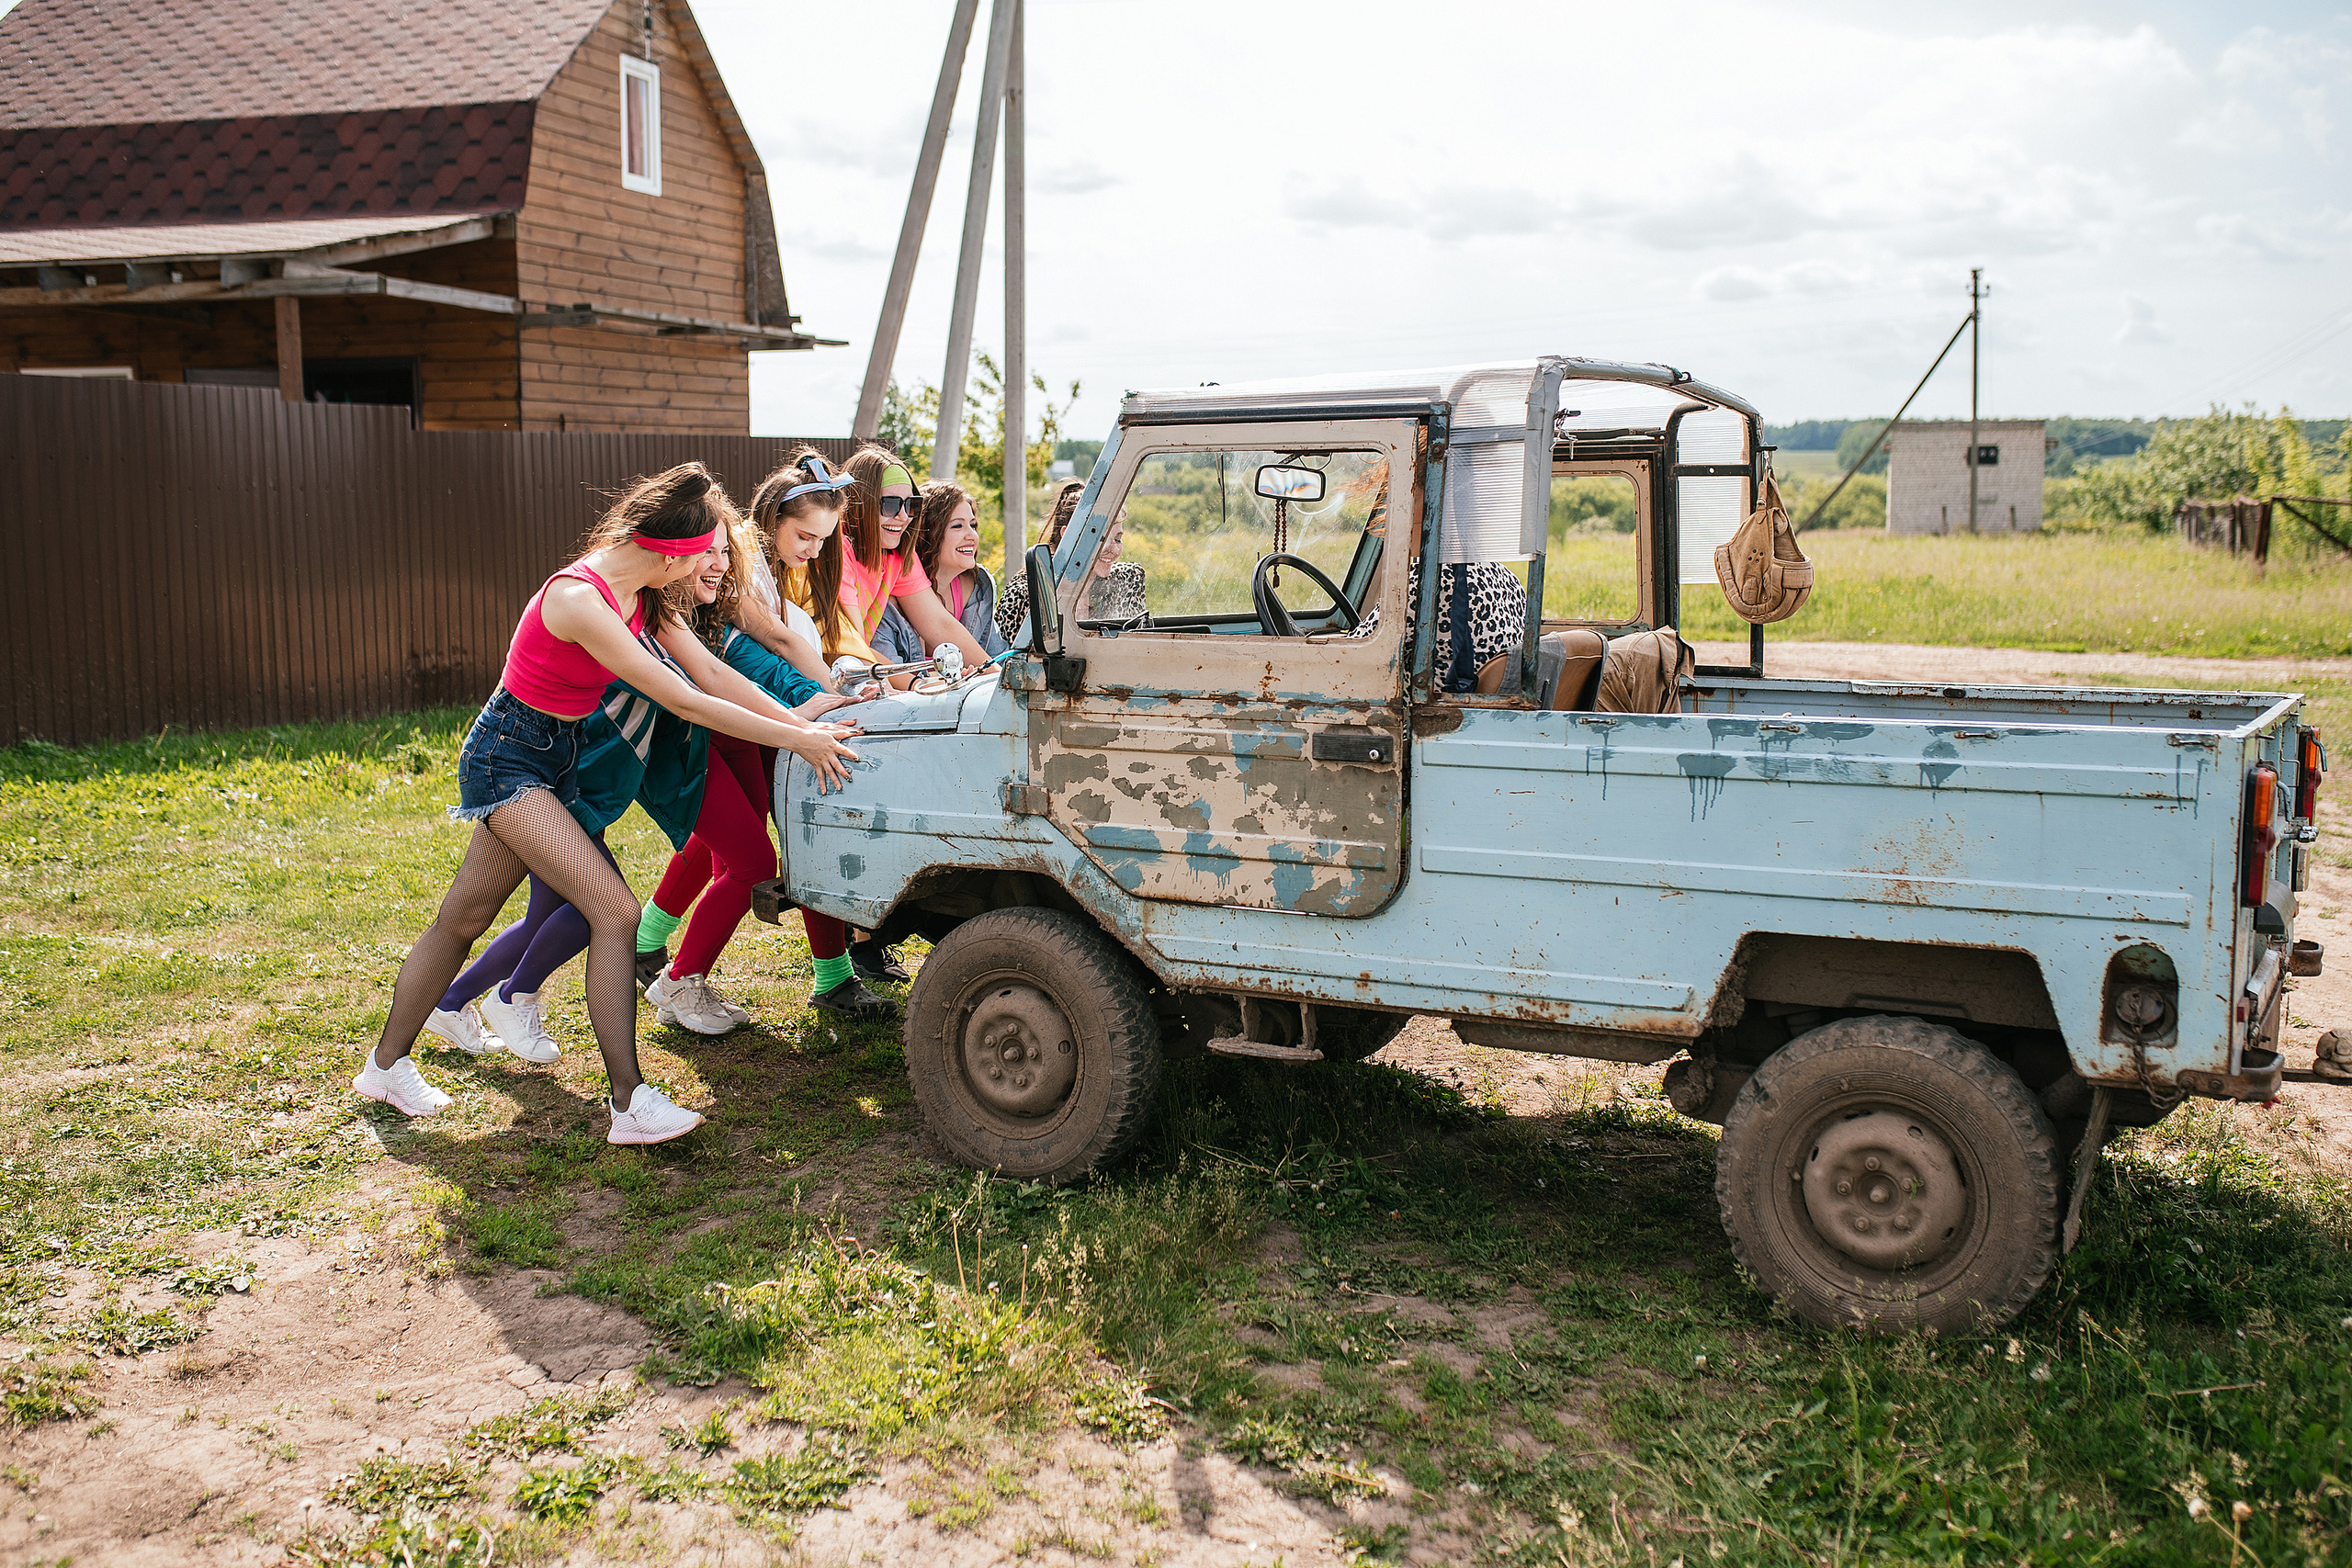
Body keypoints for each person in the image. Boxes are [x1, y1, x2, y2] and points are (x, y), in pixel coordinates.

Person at [355, 463, 860, 1145]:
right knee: (614, 912)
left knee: (463, 918)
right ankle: (629, 1104)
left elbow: (712, 672)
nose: (709, 570)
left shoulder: (643, 595)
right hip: (510, 759)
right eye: (702, 557)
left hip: (553, 759)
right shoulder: (580, 599)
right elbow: (683, 698)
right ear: (669, 554)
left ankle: (384, 1068)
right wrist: (799, 738)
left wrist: (799, 719)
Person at [637, 452, 899, 1024]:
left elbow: (770, 653)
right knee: (755, 857)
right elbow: (739, 665)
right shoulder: (691, 597)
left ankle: (659, 949)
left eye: (724, 551)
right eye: (805, 535)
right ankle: (673, 975)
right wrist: (804, 713)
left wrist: (823, 698)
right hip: (695, 736)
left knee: (759, 842)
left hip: (740, 727)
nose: (814, 550)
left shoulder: (736, 582)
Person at [837, 447, 990, 675]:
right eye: (890, 505)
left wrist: (998, 676)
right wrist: (913, 684)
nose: (903, 516)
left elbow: (940, 625)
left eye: (911, 505)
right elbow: (853, 646)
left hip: (862, 674)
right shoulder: (839, 550)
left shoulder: (897, 556)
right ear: (861, 504)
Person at [873, 479, 1009, 666]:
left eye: (973, 525)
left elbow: (1000, 661)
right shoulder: (889, 596)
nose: (972, 536)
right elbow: (888, 674)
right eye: (957, 526)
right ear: (926, 533)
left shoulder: (977, 587)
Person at [995, 478, 1147, 643]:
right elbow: (1011, 657)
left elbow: (1137, 645)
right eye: (1101, 539)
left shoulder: (1126, 581)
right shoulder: (1025, 594)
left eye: (1117, 539)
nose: (1114, 550)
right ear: (1069, 536)